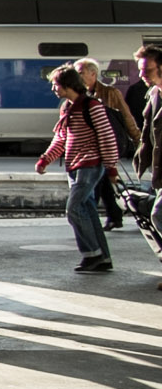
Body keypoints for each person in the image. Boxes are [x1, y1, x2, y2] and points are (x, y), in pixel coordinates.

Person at [36, 64, 118, 273]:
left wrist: (111, 167)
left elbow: (107, 138)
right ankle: (103, 257)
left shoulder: (92, 106)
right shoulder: (67, 108)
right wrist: (46, 159)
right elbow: (62, 138)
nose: (54, 89)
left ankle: (92, 254)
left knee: (73, 209)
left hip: (90, 165)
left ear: (67, 84)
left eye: (56, 85)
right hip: (74, 166)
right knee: (88, 211)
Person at [76, 58, 138, 231]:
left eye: (81, 73)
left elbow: (126, 117)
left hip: (107, 144)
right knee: (102, 182)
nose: (78, 77)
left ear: (93, 74)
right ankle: (114, 217)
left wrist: (137, 139)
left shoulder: (111, 93)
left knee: (96, 184)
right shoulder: (77, 94)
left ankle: (93, 222)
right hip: (89, 148)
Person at [130, 45, 162, 288]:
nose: (142, 75)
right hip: (160, 170)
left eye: (147, 69)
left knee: (158, 214)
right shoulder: (153, 94)